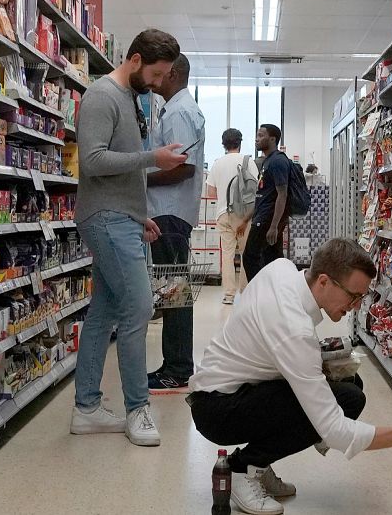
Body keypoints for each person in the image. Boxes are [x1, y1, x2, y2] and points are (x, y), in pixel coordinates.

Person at [187, 239, 392, 515]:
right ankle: (242, 469)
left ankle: (258, 462)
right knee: (346, 401)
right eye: (352, 296)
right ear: (323, 281)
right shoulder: (295, 330)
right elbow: (336, 430)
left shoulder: (283, 268)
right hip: (217, 409)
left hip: (228, 388)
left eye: (361, 298)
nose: (355, 306)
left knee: (350, 384)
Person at [71, 29, 189, 446]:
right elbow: (94, 161)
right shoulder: (103, 96)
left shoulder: (132, 100)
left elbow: (123, 169)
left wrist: (140, 216)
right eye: (155, 75)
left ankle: (86, 408)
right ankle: (138, 409)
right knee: (138, 310)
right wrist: (152, 157)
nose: (158, 84)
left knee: (103, 314)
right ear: (135, 60)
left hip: (121, 218)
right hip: (104, 219)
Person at [144, 54, 205, 392]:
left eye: (161, 72)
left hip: (169, 213)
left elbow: (184, 167)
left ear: (175, 73)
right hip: (170, 213)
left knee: (175, 292)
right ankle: (175, 365)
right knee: (173, 291)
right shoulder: (176, 109)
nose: (155, 79)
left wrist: (140, 179)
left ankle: (178, 369)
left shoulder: (180, 112)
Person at [205, 128, 258, 304]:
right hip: (243, 216)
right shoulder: (248, 162)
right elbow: (255, 187)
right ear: (240, 143)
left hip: (223, 214)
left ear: (223, 145)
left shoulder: (217, 163)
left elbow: (211, 191)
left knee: (227, 254)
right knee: (245, 253)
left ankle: (228, 295)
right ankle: (245, 292)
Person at [242, 124, 289, 280]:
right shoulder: (268, 161)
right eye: (257, 135)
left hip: (267, 220)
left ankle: (258, 293)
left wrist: (274, 226)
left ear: (272, 139)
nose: (257, 138)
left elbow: (282, 194)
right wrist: (246, 219)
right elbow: (262, 195)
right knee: (272, 260)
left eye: (261, 135)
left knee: (250, 257)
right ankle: (272, 295)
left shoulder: (277, 161)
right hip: (263, 217)